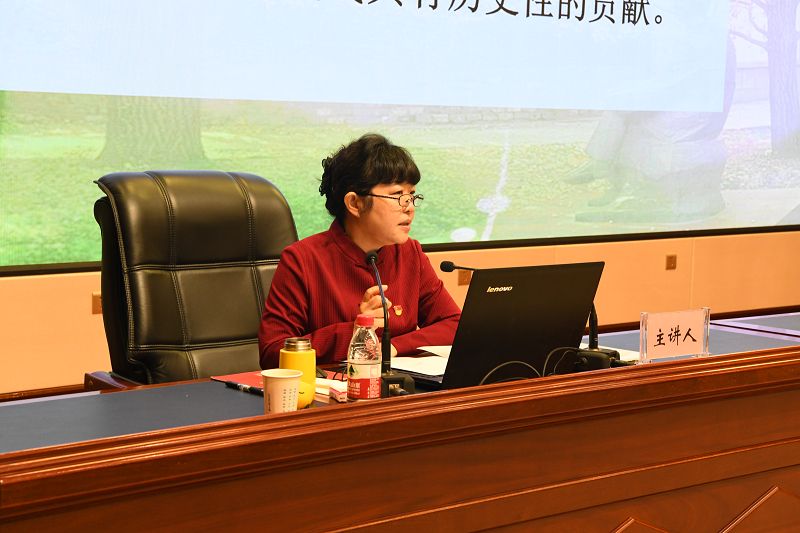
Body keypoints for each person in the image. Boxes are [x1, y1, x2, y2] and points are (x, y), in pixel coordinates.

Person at [258, 133, 461, 368]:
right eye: (397, 195)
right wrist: (356, 332)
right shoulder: (303, 259)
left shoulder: (409, 253)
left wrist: (393, 347)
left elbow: (454, 323)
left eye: (412, 196)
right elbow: (273, 352)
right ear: (355, 203)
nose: (409, 208)